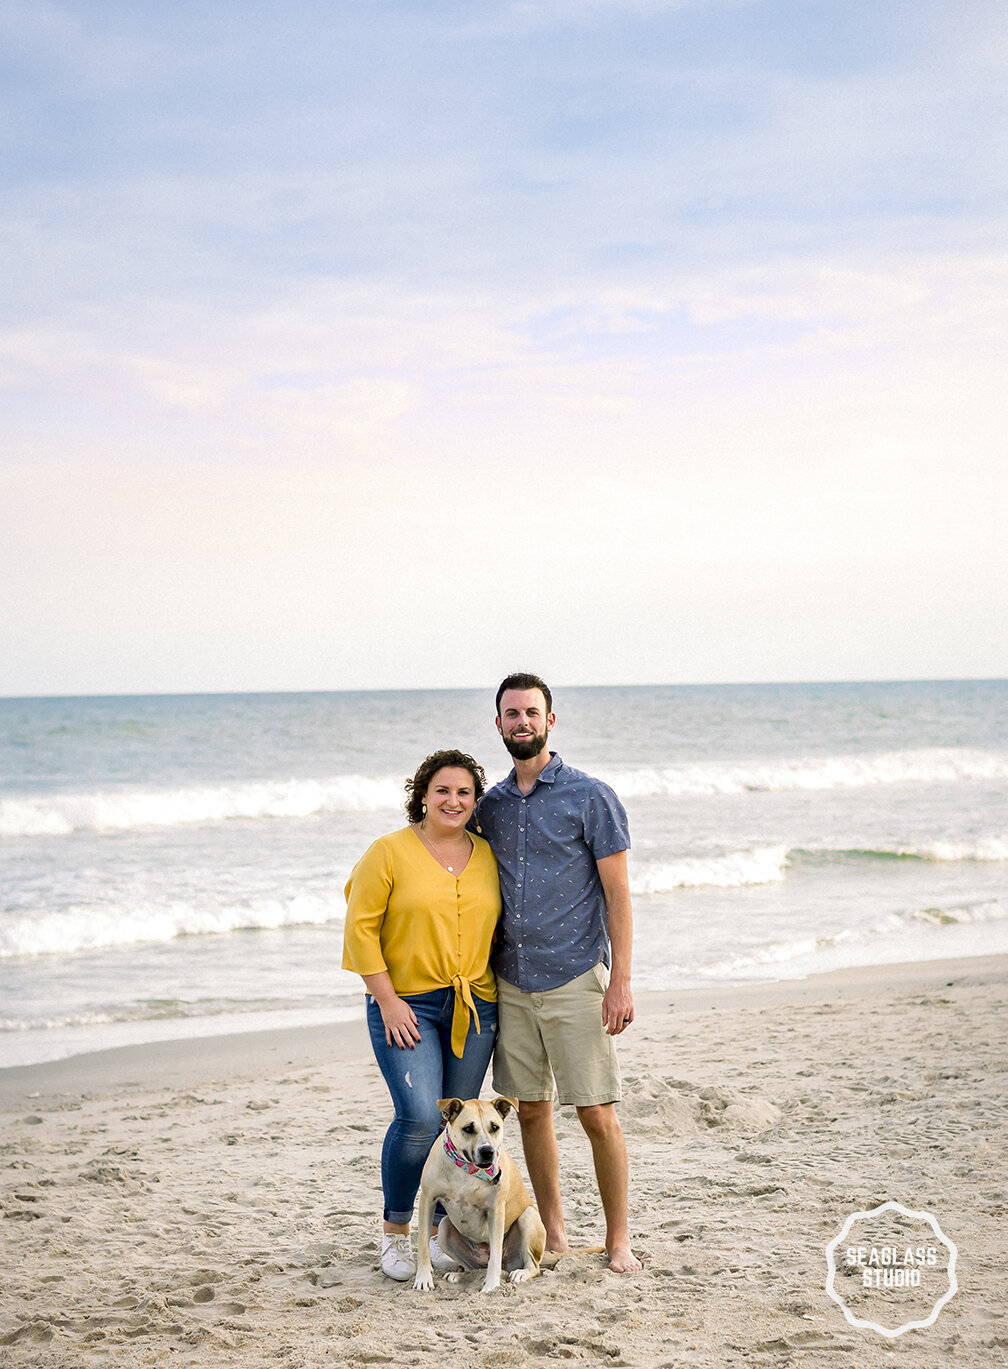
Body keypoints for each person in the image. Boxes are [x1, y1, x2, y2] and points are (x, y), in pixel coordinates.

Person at [476, 672, 642, 1273]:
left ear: (551, 720)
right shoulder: (488, 807)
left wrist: (620, 980)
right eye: (511, 714)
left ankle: (618, 1237)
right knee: (533, 1111)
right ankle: (559, 1233)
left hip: (575, 977)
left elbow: (618, 894)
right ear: (498, 725)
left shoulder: (589, 796)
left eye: (531, 712)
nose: (521, 722)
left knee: (597, 1112)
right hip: (511, 983)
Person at [342, 749, 501, 1282]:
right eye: (442, 791)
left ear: (475, 801)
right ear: (423, 795)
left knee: (454, 1127)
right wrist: (386, 1000)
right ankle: (394, 1234)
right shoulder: (388, 852)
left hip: (474, 1004)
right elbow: (360, 927)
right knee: (416, 1118)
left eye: (463, 793)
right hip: (405, 1004)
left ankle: (436, 1238)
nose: (452, 801)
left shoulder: (487, 854)